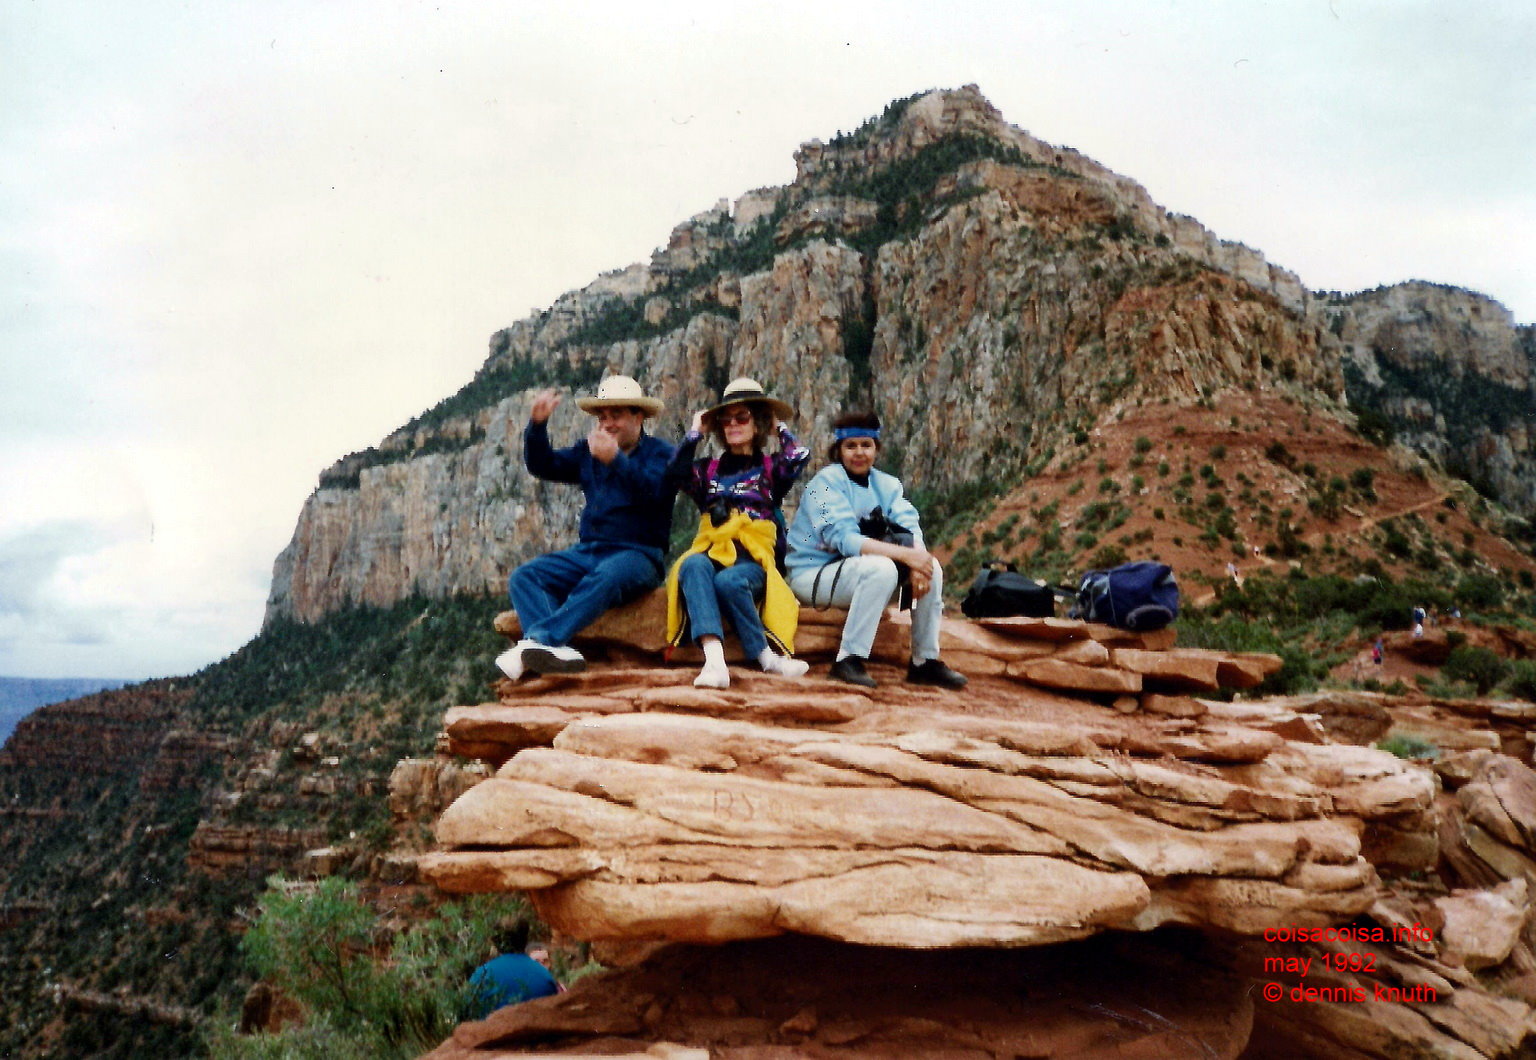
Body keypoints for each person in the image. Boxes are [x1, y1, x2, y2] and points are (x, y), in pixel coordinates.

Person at [498, 375, 675, 680]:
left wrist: (616, 460)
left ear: (639, 416)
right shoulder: (588, 452)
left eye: (616, 415)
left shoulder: (663, 454)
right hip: (590, 551)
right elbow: (544, 465)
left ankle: (539, 641)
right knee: (526, 576)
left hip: (639, 555)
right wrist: (537, 427)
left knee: (606, 577)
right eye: (602, 416)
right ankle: (557, 649)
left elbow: (655, 494)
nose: (607, 423)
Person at [785, 409, 967, 690]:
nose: (859, 453)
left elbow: (910, 526)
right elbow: (844, 540)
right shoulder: (825, 482)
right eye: (851, 446)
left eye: (866, 445)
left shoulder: (887, 484)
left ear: (876, 449)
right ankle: (848, 660)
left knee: (934, 569)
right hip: (813, 574)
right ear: (839, 450)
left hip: (857, 573)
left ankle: (924, 662)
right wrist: (908, 557)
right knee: (880, 568)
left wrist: (919, 561)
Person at [664, 378, 811, 689]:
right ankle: (714, 661)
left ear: (757, 423)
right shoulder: (708, 471)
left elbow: (798, 456)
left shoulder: (771, 469)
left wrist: (778, 427)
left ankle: (765, 657)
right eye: (726, 420)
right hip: (714, 550)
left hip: (752, 558)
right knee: (691, 565)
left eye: (742, 417)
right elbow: (674, 473)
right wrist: (695, 434)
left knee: (729, 581)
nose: (732, 425)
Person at [465, 923, 559, 1019]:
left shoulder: (482, 975)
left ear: (495, 943)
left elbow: (467, 1011)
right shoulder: (544, 976)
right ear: (525, 940)